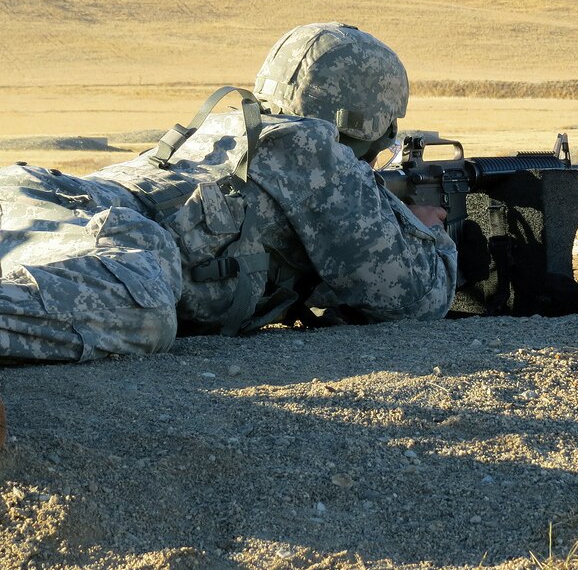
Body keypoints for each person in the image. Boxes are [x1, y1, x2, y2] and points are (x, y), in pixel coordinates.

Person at [0, 22, 458, 364]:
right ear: (370, 118)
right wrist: (423, 231)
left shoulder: (224, 127)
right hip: (112, 234)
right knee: (145, 306)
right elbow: (415, 299)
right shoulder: (308, 148)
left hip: (32, 197)